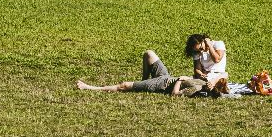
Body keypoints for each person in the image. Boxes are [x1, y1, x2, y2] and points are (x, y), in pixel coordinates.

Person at [77, 49, 207, 96]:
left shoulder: (196, 88)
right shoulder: (204, 80)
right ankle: (143, 81)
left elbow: (175, 94)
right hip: (165, 76)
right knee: (149, 54)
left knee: (124, 85)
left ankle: (89, 87)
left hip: (162, 85)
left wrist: (180, 79)